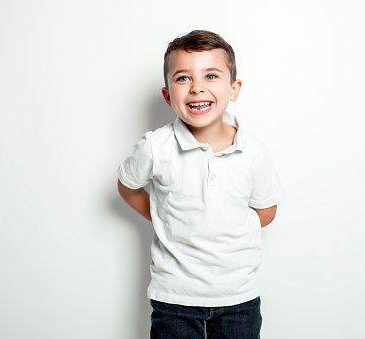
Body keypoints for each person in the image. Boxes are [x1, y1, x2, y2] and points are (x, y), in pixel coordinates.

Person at [118, 30, 284, 338]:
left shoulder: (254, 151)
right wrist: (162, 216)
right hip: (175, 297)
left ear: (233, 89)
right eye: (183, 78)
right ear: (167, 95)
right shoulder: (156, 147)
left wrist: (224, 224)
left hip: (239, 297)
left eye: (211, 76)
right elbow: (127, 187)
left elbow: (267, 210)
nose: (197, 88)